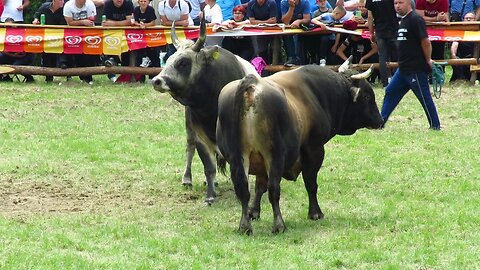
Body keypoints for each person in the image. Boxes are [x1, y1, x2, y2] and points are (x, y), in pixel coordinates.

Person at [381, 0, 441, 130]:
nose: (397, 6)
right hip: (403, 68)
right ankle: (380, 122)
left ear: (409, 2)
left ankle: (435, 125)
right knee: (390, 91)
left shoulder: (415, 19)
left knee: (424, 98)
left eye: (400, 3)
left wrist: (428, 59)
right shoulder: (403, 20)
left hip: (415, 68)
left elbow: (425, 41)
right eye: (395, 3)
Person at [33, 0, 70, 83]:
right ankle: (48, 77)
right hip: (46, 35)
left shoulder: (64, 9)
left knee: (63, 52)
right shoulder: (44, 6)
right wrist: (36, 20)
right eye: (60, 0)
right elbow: (37, 14)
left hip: (60, 35)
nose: (62, 2)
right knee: (46, 55)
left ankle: (66, 71)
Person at [63, 0, 97, 84]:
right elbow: (69, 22)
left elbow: (91, 20)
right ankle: (77, 76)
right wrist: (82, 22)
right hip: (73, 33)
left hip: (88, 33)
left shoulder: (90, 4)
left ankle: (88, 78)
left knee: (89, 56)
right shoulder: (68, 6)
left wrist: (85, 23)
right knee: (76, 56)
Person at [366, 0, 398, 87]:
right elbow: (398, 9)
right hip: (394, 29)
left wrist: (371, 33)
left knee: (383, 58)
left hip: (380, 31)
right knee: (399, 56)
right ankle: (400, 80)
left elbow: (369, 17)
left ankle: (385, 82)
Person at [133, 0, 160, 82]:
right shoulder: (136, 10)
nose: (143, 3)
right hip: (139, 37)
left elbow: (153, 22)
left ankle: (155, 77)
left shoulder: (150, 9)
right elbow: (133, 21)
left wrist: (145, 25)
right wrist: (139, 25)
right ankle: (140, 78)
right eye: (141, 1)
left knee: (154, 56)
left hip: (151, 36)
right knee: (139, 57)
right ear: (138, 2)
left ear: (148, 2)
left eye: (145, 1)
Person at [281, 0, 311, 65]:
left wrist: (299, 21)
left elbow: (307, 19)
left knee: (298, 37)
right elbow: (285, 21)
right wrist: (291, 7)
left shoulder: (305, 2)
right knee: (287, 35)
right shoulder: (284, 2)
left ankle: (300, 59)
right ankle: (291, 58)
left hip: (302, 27)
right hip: (289, 27)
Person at [450, 12, 475, 82]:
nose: (468, 20)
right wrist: (453, 54)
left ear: (475, 20)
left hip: (475, 57)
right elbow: (455, 43)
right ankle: (461, 80)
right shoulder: (459, 32)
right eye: (466, 18)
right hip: (462, 57)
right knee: (456, 59)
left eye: (470, 18)